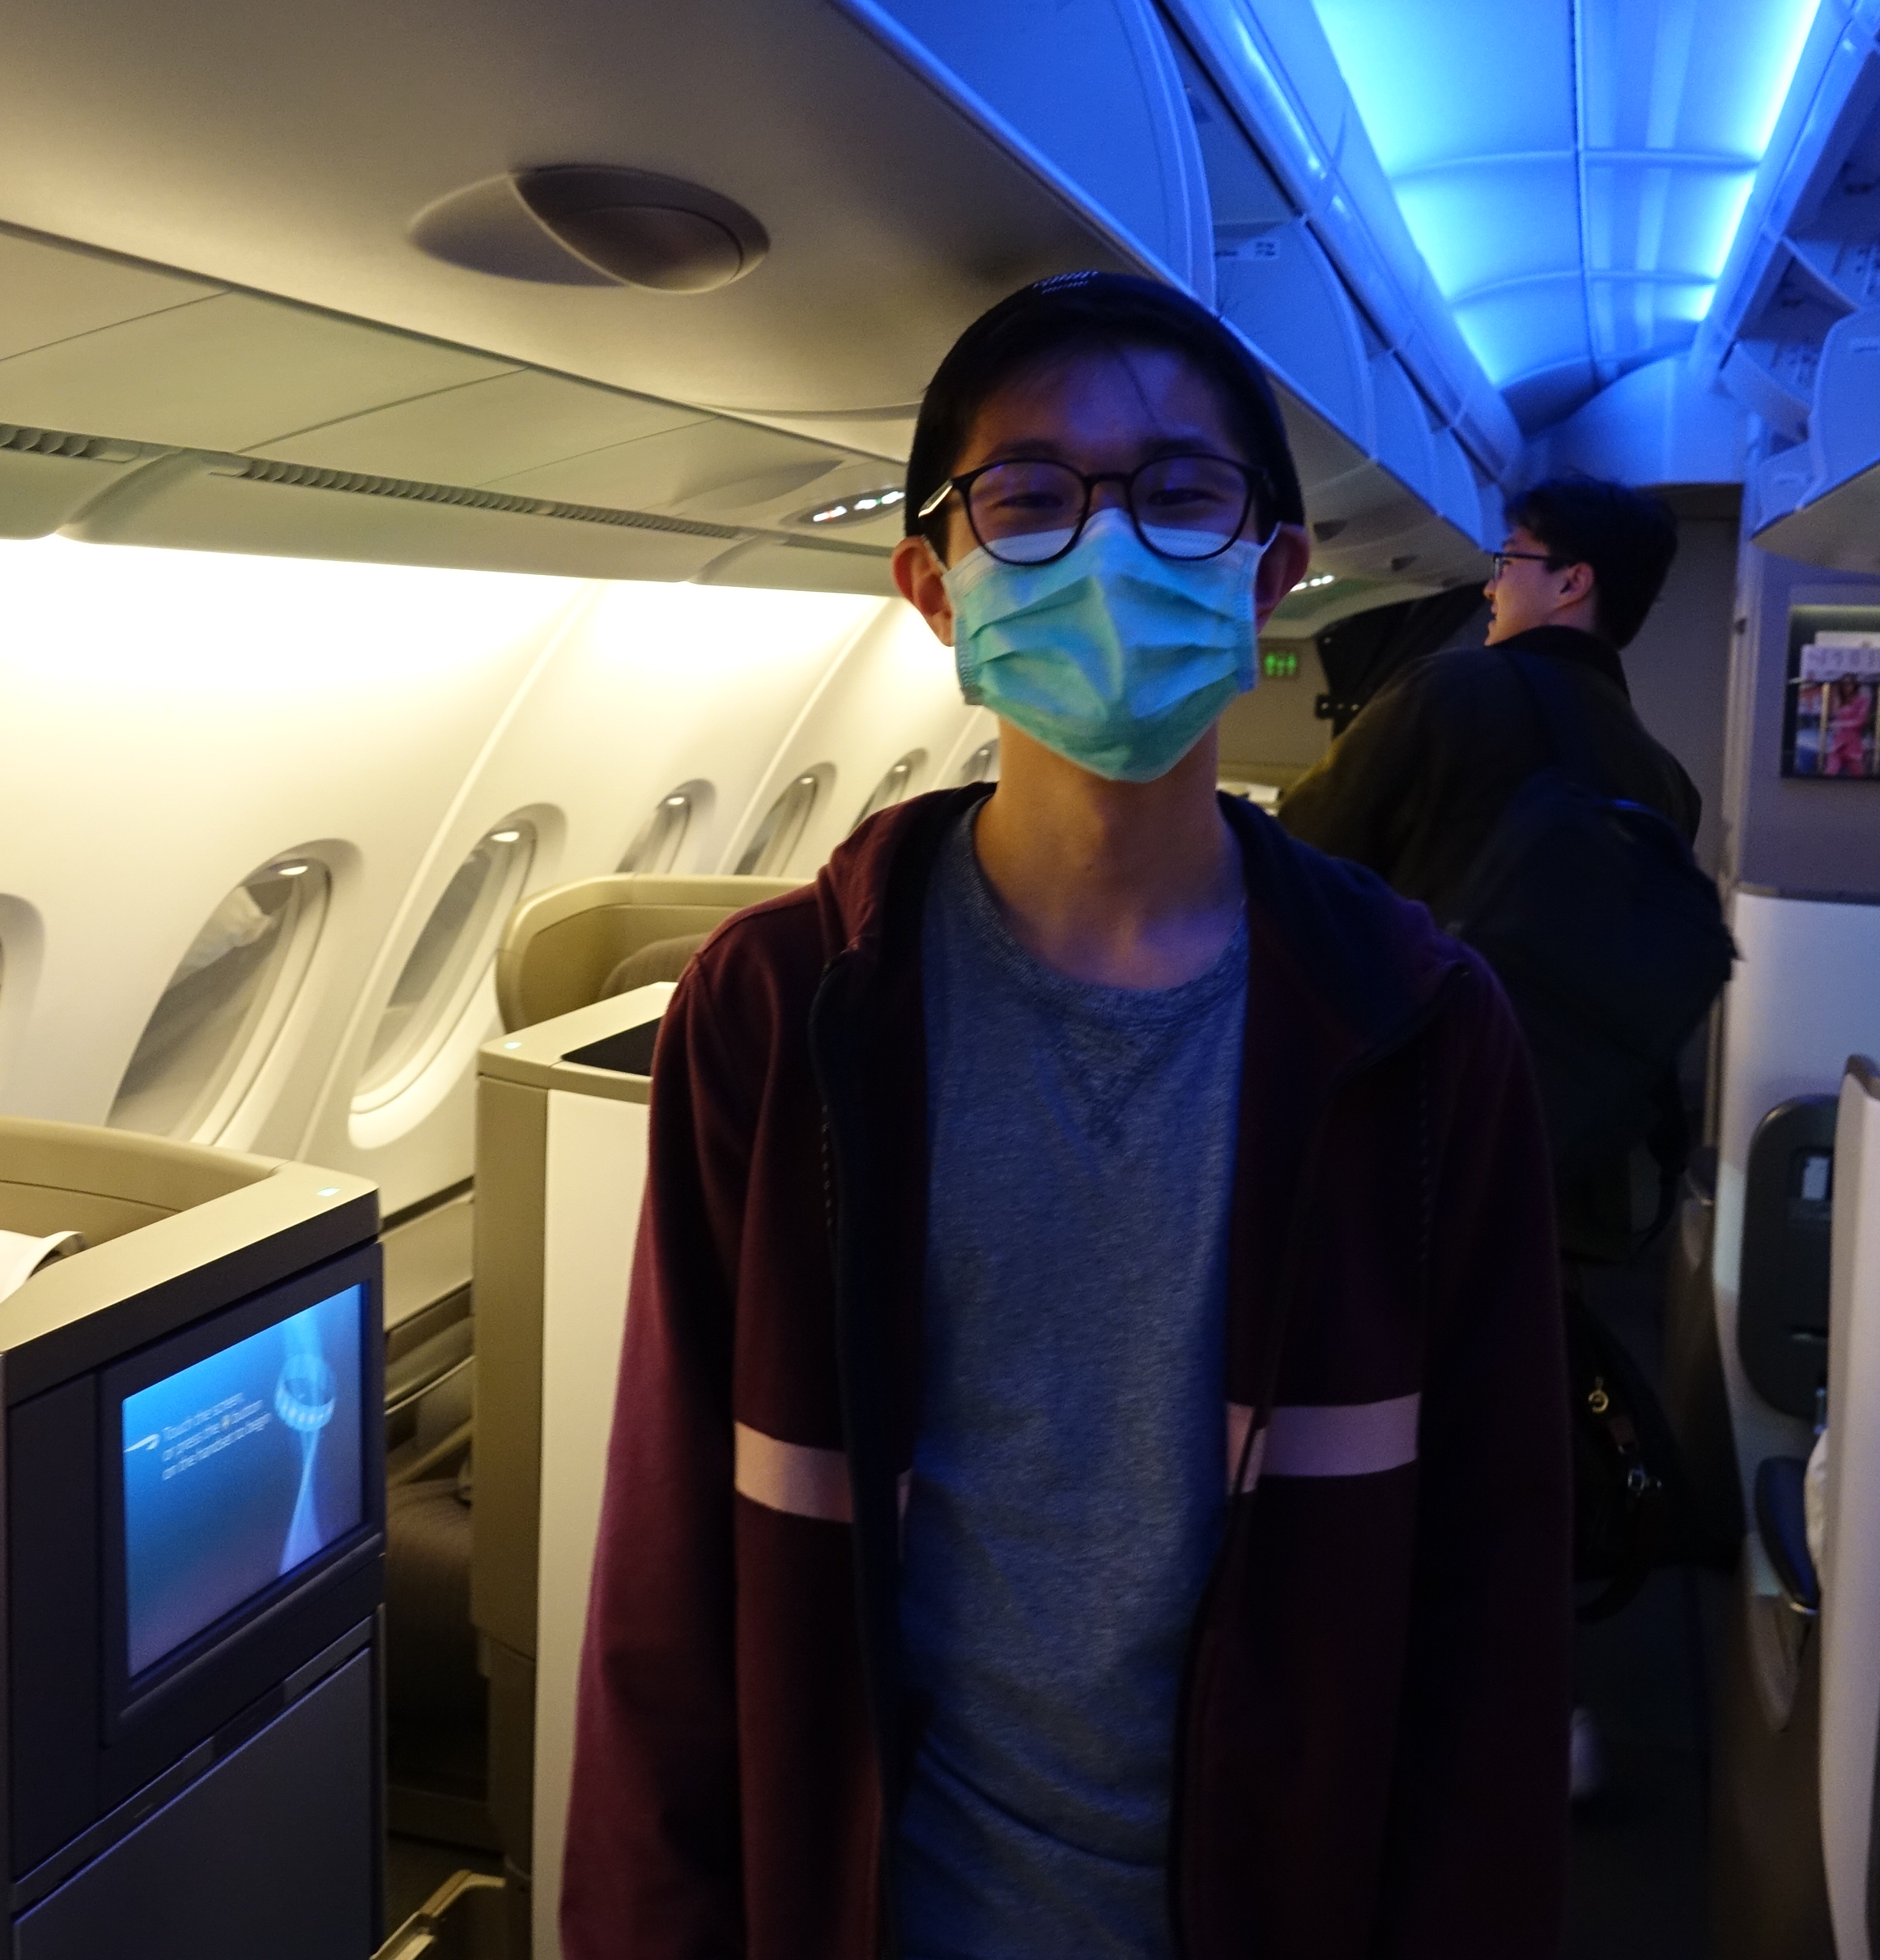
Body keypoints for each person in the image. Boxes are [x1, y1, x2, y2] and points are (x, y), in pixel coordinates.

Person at [562, 271, 1570, 1960]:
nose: (1108, 554)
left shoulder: (1419, 1032)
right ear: (935, 589)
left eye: (1179, 493)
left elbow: (1492, 1615)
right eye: (1028, 500)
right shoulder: (779, 1009)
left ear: (1272, 574)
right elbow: (667, 1586)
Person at [1276, 474, 1701, 1263]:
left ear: (1573, 583)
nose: (1490, 583)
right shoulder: (1665, 778)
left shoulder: (1449, 689)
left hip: (1412, 1140)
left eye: (1509, 561)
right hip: (1570, 1163)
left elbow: (1295, 864)